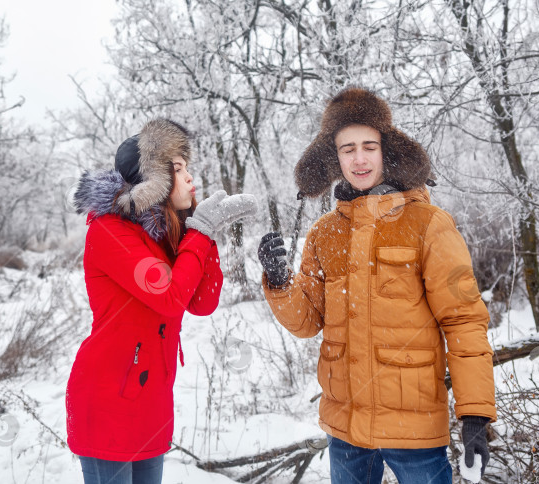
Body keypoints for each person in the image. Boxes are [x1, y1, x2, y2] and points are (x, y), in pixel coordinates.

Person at [257, 88, 496, 484]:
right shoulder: (325, 232)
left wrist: (475, 414)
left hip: (414, 431)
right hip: (346, 431)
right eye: (347, 149)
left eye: (369, 145)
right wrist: (279, 282)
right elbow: (306, 322)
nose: (360, 158)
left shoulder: (429, 224)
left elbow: (464, 320)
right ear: (335, 158)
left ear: (388, 149)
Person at [66, 118, 257, 484]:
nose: (189, 178)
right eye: (179, 170)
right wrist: (199, 234)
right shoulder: (111, 232)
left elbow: (201, 302)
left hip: (150, 402)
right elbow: (168, 297)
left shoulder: (163, 232)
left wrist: (205, 233)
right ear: (154, 182)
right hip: (107, 402)